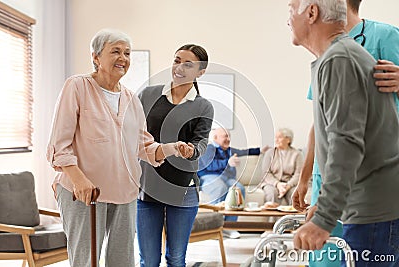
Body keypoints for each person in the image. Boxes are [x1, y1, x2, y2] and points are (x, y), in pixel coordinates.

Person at [46, 29, 191, 267]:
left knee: (122, 261)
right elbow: (59, 143)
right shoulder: (77, 87)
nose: (123, 58)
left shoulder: (131, 99)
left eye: (127, 53)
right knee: (85, 260)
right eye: (115, 51)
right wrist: (78, 179)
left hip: (125, 192)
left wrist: (171, 148)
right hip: (84, 192)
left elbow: (144, 146)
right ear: (96, 57)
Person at [287, 1, 399, 266]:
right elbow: (327, 128)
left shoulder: (342, 57)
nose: (288, 18)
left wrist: (325, 216)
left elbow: (347, 142)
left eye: (291, 9)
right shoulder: (334, 57)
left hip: (371, 207)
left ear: (312, 12)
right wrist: (323, 200)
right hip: (357, 202)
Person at [136, 44, 214, 267]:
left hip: (183, 189)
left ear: (200, 72)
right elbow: (133, 133)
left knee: (176, 258)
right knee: (148, 260)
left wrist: (191, 151)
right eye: (177, 60)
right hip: (147, 185)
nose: (179, 67)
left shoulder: (203, 106)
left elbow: (201, 142)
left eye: (188, 64)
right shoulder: (148, 95)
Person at [198, 127, 269, 239]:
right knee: (220, 187)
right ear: (215, 137)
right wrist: (227, 162)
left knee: (238, 189)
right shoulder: (208, 148)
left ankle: (230, 227)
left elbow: (244, 151)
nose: (228, 139)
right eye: (225, 136)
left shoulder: (229, 150)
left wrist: (260, 150)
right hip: (208, 177)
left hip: (226, 178)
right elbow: (208, 165)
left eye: (229, 136)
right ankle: (216, 226)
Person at [260, 128, 303, 205]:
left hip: (290, 184)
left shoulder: (297, 154)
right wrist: (277, 184)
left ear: (288, 140)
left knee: (295, 195)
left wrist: (288, 186)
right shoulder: (269, 153)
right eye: (275, 138)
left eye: (279, 137)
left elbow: (298, 174)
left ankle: (292, 217)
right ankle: (274, 217)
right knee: (272, 193)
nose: (276, 140)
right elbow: (266, 173)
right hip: (271, 183)